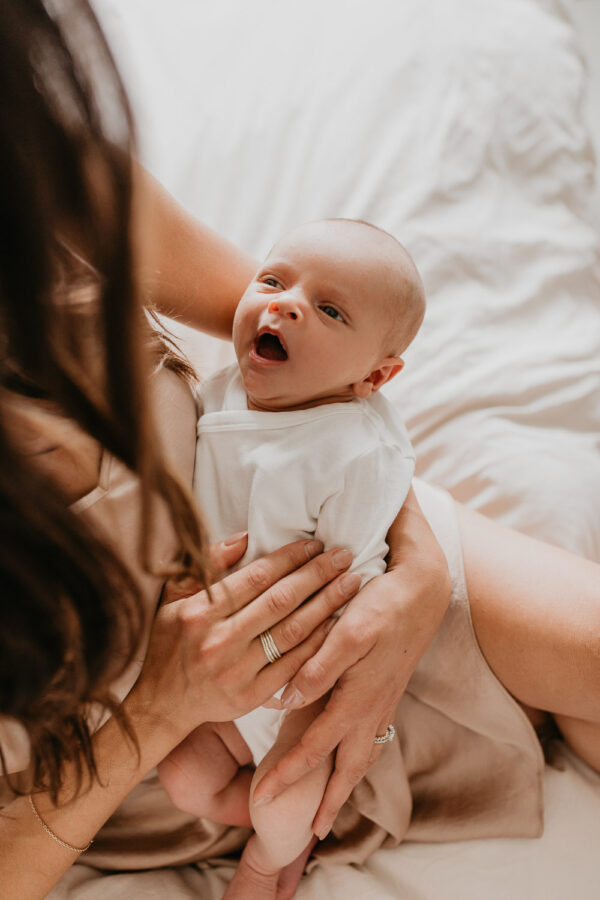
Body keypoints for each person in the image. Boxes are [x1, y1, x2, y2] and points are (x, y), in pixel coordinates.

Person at [1, 4, 599, 900]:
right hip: (144, 754)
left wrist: (413, 567)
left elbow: (306, 346)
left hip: (336, 551)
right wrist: (164, 705)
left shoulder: (33, 159)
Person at [156, 216, 426, 889]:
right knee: (186, 781)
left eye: (329, 310)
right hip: (220, 663)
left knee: (282, 798)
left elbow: (354, 584)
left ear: (375, 376)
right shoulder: (216, 390)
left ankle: (271, 856)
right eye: (271, 280)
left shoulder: (354, 449)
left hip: (306, 669)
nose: (283, 302)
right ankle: (267, 827)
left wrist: (307, 719)